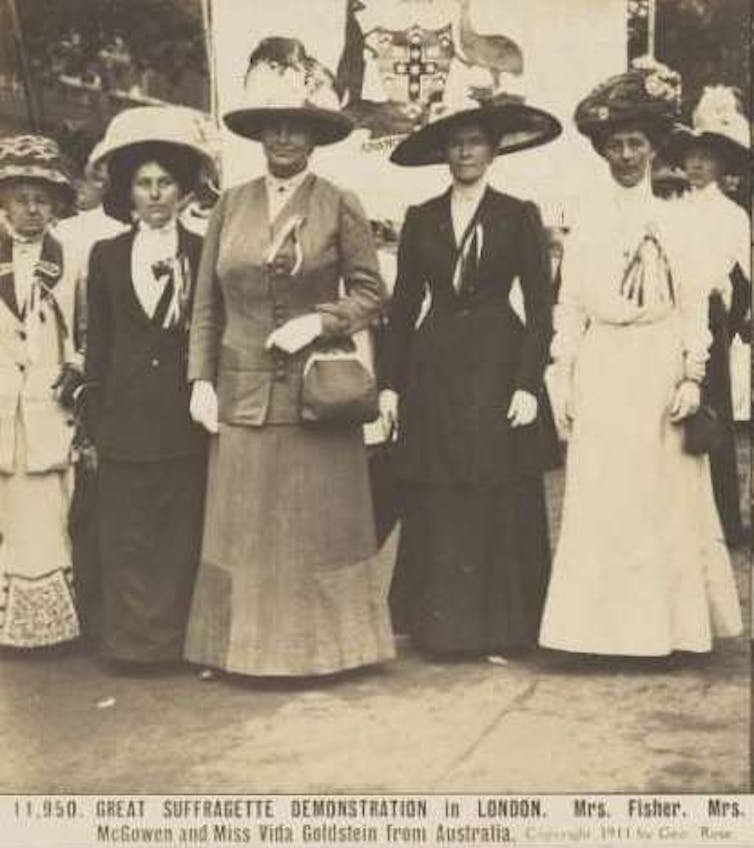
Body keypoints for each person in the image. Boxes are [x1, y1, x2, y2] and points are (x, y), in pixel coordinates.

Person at [184, 38, 395, 677]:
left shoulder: (339, 203)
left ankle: (334, 652)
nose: (283, 137)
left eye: (295, 126)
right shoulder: (230, 204)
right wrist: (200, 379)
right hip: (242, 390)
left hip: (315, 392)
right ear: (259, 135)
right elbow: (206, 304)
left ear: (313, 136)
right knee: (245, 529)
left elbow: (372, 293)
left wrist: (318, 321)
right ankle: (240, 653)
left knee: (317, 527)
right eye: (273, 125)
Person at [539, 59, 742, 657]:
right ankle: (593, 634)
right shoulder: (588, 219)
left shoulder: (678, 222)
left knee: (662, 495)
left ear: (654, 150)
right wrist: (563, 375)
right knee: (601, 493)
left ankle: (666, 630)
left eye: (636, 144)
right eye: (615, 146)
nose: (625, 155)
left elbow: (691, 309)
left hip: (657, 365)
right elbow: (571, 305)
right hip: (605, 363)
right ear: (603, 152)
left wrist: (691, 375)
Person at [380, 91, 561, 657]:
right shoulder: (421, 218)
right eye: (456, 143)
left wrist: (528, 383)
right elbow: (405, 305)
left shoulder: (517, 214)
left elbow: (540, 307)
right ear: (444, 152)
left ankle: (503, 628)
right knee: (439, 489)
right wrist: (389, 383)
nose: (465, 152)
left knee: (497, 490)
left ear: (493, 150)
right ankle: (443, 627)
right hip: (434, 368)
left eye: (476, 142)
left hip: (498, 360)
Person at [83, 106, 211, 669]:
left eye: (165, 183)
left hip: (182, 414)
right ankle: (130, 643)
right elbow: (100, 345)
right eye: (144, 183)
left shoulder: (201, 252)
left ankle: (174, 643)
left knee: (178, 529)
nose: (155, 194)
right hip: (124, 415)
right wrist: (92, 416)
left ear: (183, 191)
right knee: (126, 531)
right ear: (129, 193)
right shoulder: (107, 255)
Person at [0, 135, 81, 648]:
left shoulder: (71, 262)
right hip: (2, 402)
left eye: (41, 199)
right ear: (4, 202)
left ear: (55, 207)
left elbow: (86, 331)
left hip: (49, 404)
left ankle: (53, 626)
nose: (31, 209)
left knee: (51, 509)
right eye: (21, 197)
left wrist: (77, 366)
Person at [666, 86, 750, 546]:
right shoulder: (671, 207)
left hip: (712, 316)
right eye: (692, 157)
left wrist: (733, 322)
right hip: (672, 308)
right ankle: (678, 516)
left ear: (722, 165)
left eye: (707, 158)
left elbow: (744, 277)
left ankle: (723, 522)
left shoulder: (732, 214)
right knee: (673, 403)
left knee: (711, 412)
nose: (697, 165)